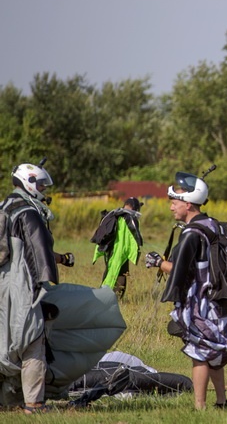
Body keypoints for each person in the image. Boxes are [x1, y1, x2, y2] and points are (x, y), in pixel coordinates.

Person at [144, 171, 227, 410]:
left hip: (201, 303)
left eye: (174, 202)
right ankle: (222, 402)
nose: (171, 207)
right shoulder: (214, 225)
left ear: (187, 203)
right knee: (214, 352)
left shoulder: (192, 233)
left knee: (200, 354)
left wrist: (158, 263)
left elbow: (183, 271)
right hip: (219, 299)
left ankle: (199, 408)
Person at [0, 162, 75, 414]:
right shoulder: (29, 213)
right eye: (40, 183)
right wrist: (44, 284)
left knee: (6, 342)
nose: (43, 188)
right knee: (32, 340)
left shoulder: (6, 206)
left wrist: (63, 258)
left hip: (4, 284)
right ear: (29, 183)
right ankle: (33, 403)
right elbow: (38, 252)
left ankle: (8, 402)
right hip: (23, 285)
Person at [91, 197, 143, 298]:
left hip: (108, 248)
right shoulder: (128, 217)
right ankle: (106, 298)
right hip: (120, 250)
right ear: (135, 207)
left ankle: (115, 298)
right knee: (114, 273)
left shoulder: (113, 214)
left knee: (117, 272)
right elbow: (135, 235)